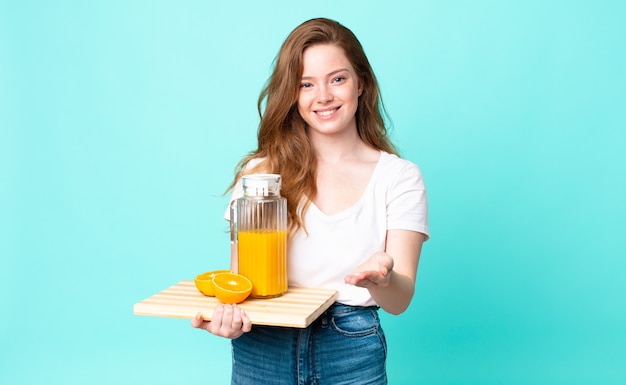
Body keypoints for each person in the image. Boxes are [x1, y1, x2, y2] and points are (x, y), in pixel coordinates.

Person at [191, 17, 429, 385]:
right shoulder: (260, 177)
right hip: (263, 343)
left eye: (338, 78)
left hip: (350, 345)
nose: (324, 96)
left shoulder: (399, 177)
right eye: (306, 84)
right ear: (292, 94)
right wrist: (229, 321)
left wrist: (381, 279)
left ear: (361, 83)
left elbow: (400, 301)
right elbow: (243, 286)